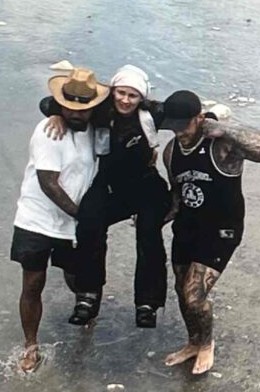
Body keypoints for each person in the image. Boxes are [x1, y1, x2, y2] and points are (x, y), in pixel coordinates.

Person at [41, 65, 171, 328]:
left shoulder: (152, 113)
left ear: (141, 98)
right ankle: (88, 295)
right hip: (110, 185)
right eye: (121, 93)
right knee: (89, 223)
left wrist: (209, 118)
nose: (125, 100)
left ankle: (147, 303)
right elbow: (48, 103)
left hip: (146, 185)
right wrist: (56, 114)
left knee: (148, 233)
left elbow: (185, 111)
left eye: (132, 96)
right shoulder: (100, 110)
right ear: (112, 91)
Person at [160, 90, 260, 375]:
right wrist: (153, 220)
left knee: (194, 295)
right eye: (173, 127)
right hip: (188, 228)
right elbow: (177, 198)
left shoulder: (222, 146)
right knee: (180, 288)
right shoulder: (171, 152)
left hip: (221, 231)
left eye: (184, 126)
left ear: (199, 119)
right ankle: (193, 342)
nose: (179, 133)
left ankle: (207, 344)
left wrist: (225, 128)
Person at [10, 67, 107, 372]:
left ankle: (88, 316)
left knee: (78, 278)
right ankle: (31, 344)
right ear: (60, 104)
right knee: (33, 282)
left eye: (83, 109)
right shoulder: (49, 131)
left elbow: (136, 104)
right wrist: (86, 218)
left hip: (72, 224)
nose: (75, 115)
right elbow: (49, 183)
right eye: (68, 108)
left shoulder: (97, 127)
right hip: (36, 219)